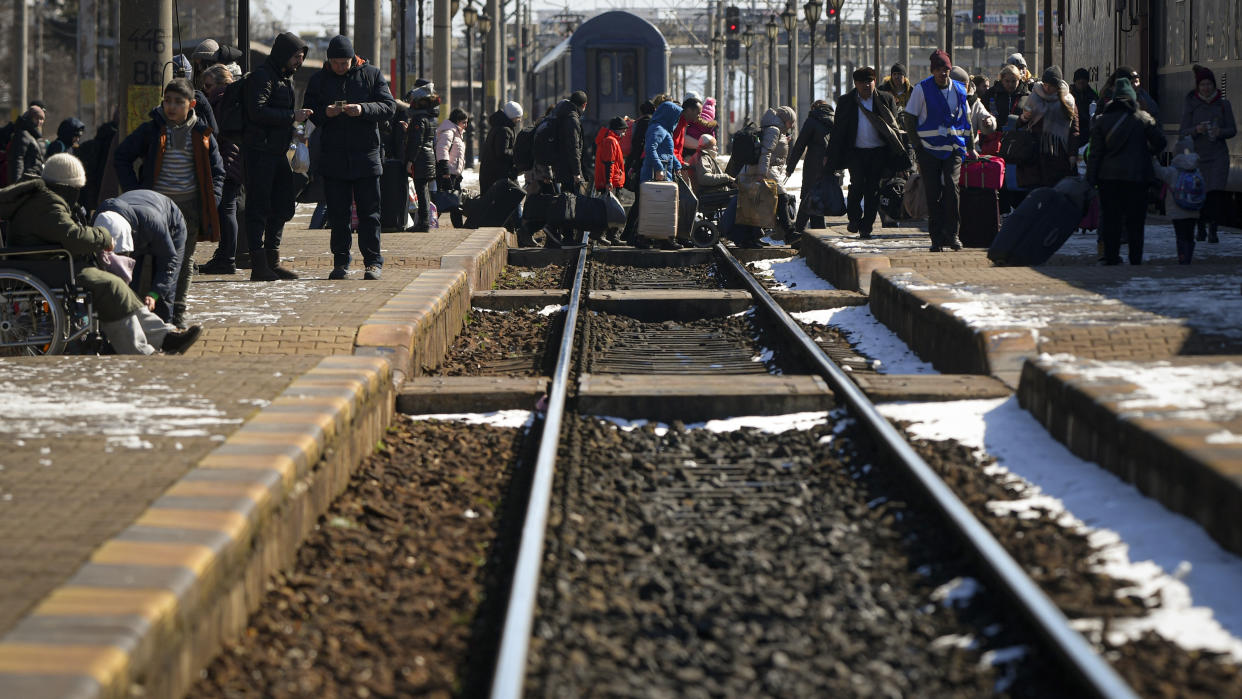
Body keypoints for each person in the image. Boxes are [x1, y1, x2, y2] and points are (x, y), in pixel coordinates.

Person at [0, 154, 201, 355]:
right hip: (47, 269)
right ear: (68, 186)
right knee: (110, 287)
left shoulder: (43, 199)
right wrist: (103, 236)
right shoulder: (48, 203)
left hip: (45, 265)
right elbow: (74, 237)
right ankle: (139, 350)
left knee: (116, 285)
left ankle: (164, 337)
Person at [113, 78, 225, 328]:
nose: (171, 107)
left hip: (189, 209)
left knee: (184, 262)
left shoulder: (202, 134)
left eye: (178, 102)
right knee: (150, 258)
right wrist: (135, 192)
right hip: (155, 209)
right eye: (167, 101)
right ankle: (148, 313)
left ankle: (177, 315)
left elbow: (218, 172)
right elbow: (122, 156)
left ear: (191, 104)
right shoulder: (151, 130)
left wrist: (212, 199)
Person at [304, 34, 396, 281]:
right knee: (338, 214)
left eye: (343, 63)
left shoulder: (371, 74)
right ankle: (341, 261)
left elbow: (389, 107)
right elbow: (310, 111)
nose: (340, 67)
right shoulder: (319, 80)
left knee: (370, 214)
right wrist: (326, 112)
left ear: (353, 59)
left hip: (366, 156)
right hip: (334, 157)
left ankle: (373, 262)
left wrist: (363, 109)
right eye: (335, 63)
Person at [242, 31, 312, 281]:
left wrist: (294, 127)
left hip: (278, 151)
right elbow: (257, 111)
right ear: (283, 54)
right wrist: (292, 116)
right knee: (258, 208)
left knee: (282, 205)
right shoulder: (263, 77)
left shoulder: (285, 79)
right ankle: (259, 265)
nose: (299, 62)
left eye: (301, 57)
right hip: (260, 152)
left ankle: (273, 260)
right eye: (296, 56)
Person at [1085, 77, 1165, 265]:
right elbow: (1160, 142)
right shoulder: (1142, 118)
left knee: (1111, 220)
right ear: (1131, 98)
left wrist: (1091, 178)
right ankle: (1135, 258)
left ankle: (1112, 257)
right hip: (1137, 179)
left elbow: (1095, 153)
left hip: (1108, 179)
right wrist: (1147, 153)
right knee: (1135, 221)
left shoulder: (1102, 121)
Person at [902, 50, 970, 251]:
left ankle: (953, 234)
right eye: (939, 70)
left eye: (946, 69)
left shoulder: (959, 89)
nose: (943, 73)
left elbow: (966, 120)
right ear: (933, 71)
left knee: (952, 187)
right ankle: (936, 238)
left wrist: (970, 147)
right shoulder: (922, 89)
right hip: (929, 150)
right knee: (933, 193)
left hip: (953, 149)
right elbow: (909, 118)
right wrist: (918, 147)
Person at [827, 68, 904, 239]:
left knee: (873, 190)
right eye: (862, 82)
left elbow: (895, 130)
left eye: (870, 81)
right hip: (855, 153)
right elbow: (838, 131)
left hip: (879, 153)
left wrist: (900, 157)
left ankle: (866, 226)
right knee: (856, 186)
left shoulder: (885, 100)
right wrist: (830, 155)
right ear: (856, 84)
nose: (866, 85)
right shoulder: (846, 102)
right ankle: (854, 218)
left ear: (875, 82)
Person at [95, 189, 188, 321]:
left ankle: (167, 332)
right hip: (139, 222)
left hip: (170, 223)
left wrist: (154, 294)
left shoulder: (153, 222)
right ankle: (131, 330)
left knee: (165, 293)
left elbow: (169, 261)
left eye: (123, 251)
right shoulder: (99, 221)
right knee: (130, 286)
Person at [1179, 64, 1236, 244]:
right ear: (1198, 86)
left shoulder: (1223, 104)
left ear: (1214, 85)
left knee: (1216, 194)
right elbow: (1183, 131)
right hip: (1198, 156)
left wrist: (1220, 132)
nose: (1206, 88)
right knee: (1201, 193)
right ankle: (1201, 226)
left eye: (1209, 84)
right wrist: (1196, 129)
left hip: (1219, 155)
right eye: (1203, 84)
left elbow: (1232, 129)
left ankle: (1213, 229)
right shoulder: (1191, 105)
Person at [197, 64, 245, 275]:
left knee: (226, 209)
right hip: (234, 160)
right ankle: (226, 256)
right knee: (228, 209)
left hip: (226, 160)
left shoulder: (220, 100)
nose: (206, 89)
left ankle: (227, 258)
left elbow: (215, 131)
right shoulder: (232, 99)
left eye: (208, 85)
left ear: (221, 83)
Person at [733, 105, 798, 247]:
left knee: (759, 205)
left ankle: (754, 237)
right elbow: (766, 152)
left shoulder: (775, 129)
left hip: (767, 169)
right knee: (783, 197)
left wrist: (783, 141)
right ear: (785, 119)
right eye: (791, 121)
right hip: (766, 170)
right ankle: (789, 232)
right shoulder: (774, 130)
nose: (792, 125)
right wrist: (761, 173)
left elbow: (773, 149)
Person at [1017, 66, 1079, 189]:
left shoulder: (1068, 101)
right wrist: (1024, 117)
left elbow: (1074, 130)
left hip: (1058, 155)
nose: (1047, 88)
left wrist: (1072, 154)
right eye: (1045, 84)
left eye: (1050, 85)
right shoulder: (1034, 96)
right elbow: (1019, 124)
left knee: (1056, 192)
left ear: (1057, 85)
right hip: (1036, 155)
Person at [634, 99, 685, 250]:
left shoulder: (663, 129)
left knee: (660, 207)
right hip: (655, 174)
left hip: (662, 173)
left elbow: (668, 152)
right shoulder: (658, 129)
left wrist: (677, 165)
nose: (677, 120)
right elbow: (650, 149)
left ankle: (662, 238)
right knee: (652, 207)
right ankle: (646, 238)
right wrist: (659, 168)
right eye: (675, 117)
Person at [787, 99, 836, 233]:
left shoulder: (812, 120)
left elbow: (799, 146)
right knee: (817, 200)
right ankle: (819, 233)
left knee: (808, 198)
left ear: (814, 108)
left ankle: (797, 233)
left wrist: (790, 167)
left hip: (813, 166)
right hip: (828, 166)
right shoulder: (835, 120)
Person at [1153, 139, 1205, 264]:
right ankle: (1189, 256)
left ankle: (1182, 257)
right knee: (1190, 234)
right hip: (1193, 210)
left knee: (1180, 235)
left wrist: (1153, 159)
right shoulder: (1197, 171)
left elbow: (1158, 172)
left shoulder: (1173, 171)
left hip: (1177, 210)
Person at [404, 83, 440, 232]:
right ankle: (424, 222)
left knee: (421, 190)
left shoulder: (419, 119)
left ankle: (423, 223)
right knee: (423, 190)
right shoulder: (430, 118)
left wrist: (410, 160)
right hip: (428, 157)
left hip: (421, 159)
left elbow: (417, 141)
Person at [479, 101, 523, 193]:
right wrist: (517, 152)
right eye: (518, 117)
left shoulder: (499, 126)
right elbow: (502, 152)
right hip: (498, 176)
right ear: (512, 116)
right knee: (514, 201)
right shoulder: (504, 130)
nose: (519, 120)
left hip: (493, 175)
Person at [952, 66, 997, 152]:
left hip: (971, 152)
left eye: (964, 85)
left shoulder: (974, 101)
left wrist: (989, 122)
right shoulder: (942, 100)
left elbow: (985, 116)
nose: (961, 89)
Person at [552, 91, 588, 194]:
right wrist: (576, 172)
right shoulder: (572, 120)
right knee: (572, 203)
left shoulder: (563, 114)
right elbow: (573, 147)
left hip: (562, 167)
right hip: (570, 171)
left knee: (566, 200)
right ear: (584, 105)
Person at [688, 134, 735, 201]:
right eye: (715, 145)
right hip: (710, 194)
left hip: (710, 192)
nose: (717, 148)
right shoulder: (703, 157)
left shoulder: (701, 156)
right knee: (739, 197)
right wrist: (727, 178)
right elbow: (704, 178)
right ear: (707, 146)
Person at [8, 105, 46, 184]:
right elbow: (17, 160)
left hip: (36, 178)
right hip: (26, 180)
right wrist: (16, 185)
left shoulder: (37, 136)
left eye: (42, 119)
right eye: (36, 118)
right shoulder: (23, 134)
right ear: (30, 118)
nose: (39, 121)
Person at [435, 108, 468, 198]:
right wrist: (445, 172)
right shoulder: (449, 132)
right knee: (446, 202)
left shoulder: (457, 133)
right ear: (457, 121)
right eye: (464, 122)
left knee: (455, 202)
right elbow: (442, 150)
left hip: (453, 173)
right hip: (447, 174)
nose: (466, 125)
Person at [624, 99, 656, 188]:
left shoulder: (640, 121)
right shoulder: (650, 122)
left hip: (637, 155)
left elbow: (636, 141)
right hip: (642, 156)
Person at [594, 116, 627, 194]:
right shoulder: (610, 141)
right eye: (623, 131)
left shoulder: (608, 139)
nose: (624, 134)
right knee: (610, 205)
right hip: (612, 183)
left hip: (611, 182)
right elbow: (609, 163)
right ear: (617, 130)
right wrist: (608, 182)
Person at [680, 94, 717, 162]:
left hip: (687, 156)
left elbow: (683, 140)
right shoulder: (683, 122)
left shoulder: (686, 121)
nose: (698, 116)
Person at [1069, 68, 1099, 149]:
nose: (1081, 84)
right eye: (1079, 81)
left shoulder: (1093, 95)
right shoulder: (1069, 95)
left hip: (1087, 136)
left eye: (1084, 81)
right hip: (1071, 134)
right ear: (1075, 81)